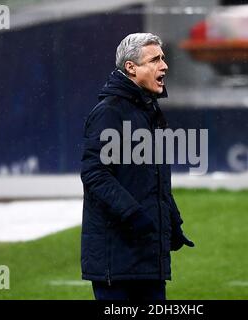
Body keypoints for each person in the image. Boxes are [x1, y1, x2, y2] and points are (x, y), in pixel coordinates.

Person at [80, 33, 194, 301]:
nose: (164, 66)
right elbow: (95, 174)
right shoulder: (110, 111)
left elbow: (155, 181)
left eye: (163, 59)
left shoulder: (150, 112)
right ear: (131, 68)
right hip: (117, 258)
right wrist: (134, 215)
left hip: (149, 256)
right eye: (155, 60)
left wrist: (171, 223)